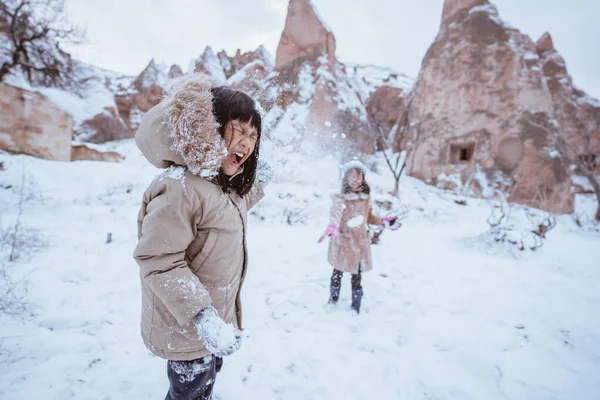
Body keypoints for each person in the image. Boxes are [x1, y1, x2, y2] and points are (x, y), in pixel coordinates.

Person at [133, 74, 267, 400]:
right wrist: (203, 318)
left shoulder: (224, 188)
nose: (247, 143)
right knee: (189, 390)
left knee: (208, 378)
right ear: (209, 127)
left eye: (253, 135)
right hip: (187, 324)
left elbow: (243, 200)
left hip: (217, 323)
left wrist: (271, 171)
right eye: (238, 129)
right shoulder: (181, 187)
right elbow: (158, 259)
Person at [318, 161, 401, 313]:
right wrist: (333, 225)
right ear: (345, 179)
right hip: (343, 241)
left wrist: (383, 221)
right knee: (337, 273)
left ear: (363, 178)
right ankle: (333, 300)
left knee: (357, 276)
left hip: (359, 243)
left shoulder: (365, 197)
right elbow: (336, 212)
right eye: (351, 175)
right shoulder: (340, 197)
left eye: (359, 175)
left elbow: (369, 217)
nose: (355, 179)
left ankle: (356, 306)